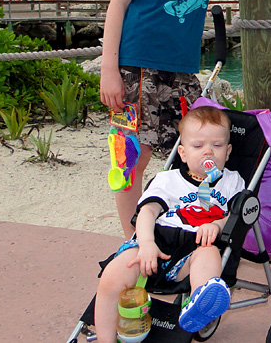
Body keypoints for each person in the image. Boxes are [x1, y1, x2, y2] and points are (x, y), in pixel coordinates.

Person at [100, 0, 265, 238]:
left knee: (190, 149)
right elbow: (119, 3)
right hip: (137, 64)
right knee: (131, 159)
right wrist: (109, 69)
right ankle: (132, 242)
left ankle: (181, 229)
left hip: (183, 68)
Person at [93, 105, 245, 342]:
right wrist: (145, 243)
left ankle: (199, 303)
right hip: (156, 242)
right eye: (198, 146)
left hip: (194, 249)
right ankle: (105, 340)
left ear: (228, 151)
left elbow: (236, 215)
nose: (208, 152)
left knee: (209, 255)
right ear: (182, 154)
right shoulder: (168, 179)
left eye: (217, 146)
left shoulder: (232, 182)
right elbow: (147, 212)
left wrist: (217, 223)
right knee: (112, 276)